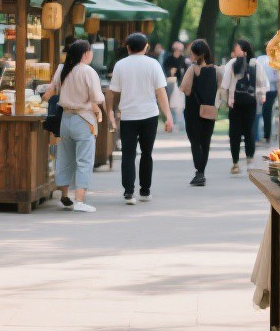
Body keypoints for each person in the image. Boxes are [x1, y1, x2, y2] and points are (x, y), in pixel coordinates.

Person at [107, 33, 173, 204]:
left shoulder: (120, 65)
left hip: (128, 115)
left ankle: (129, 192)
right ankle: (145, 190)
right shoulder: (153, 64)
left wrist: (110, 112)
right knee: (146, 153)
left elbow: (113, 92)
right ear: (146, 47)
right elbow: (161, 92)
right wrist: (168, 116)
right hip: (149, 114)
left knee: (128, 154)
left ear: (128, 47)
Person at [43, 40, 106, 212]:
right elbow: (97, 98)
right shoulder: (88, 71)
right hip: (83, 119)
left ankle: (64, 196)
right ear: (86, 53)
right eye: (91, 51)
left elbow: (50, 91)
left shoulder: (62, 69)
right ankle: (79, 200)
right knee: (84, 160)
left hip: (65, 119)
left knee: (65, 158)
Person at [220, 38, 268, 174]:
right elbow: (226, 85)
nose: (235, 49)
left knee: (243, 132)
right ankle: (241, 161)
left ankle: (243, 161)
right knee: (241, 132)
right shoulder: (241, 64)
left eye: (238, 47)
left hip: (243, 103)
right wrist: (227, 99)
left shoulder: (250, 64)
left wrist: (262, 94)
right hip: (242, 102)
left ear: (245, 50)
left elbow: (260, 81)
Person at [181, 38, 219, 186]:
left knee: (195, 141)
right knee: (205, 141)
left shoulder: (192, 69)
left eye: (192, 53)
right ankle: (201, 171)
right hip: (209, 110)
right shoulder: (216, 70)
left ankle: (199, 172)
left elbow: (185, 88)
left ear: (198, 54)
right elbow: (221, 89)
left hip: (193, 110)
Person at [254, 48, 277, 147]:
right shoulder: (274, 60)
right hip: (271, 90)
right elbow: (277, 78)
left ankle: (256, 136)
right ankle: (266, 135)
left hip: (260, 89)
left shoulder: (259, 59)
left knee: (258, 112)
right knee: (267, 113)